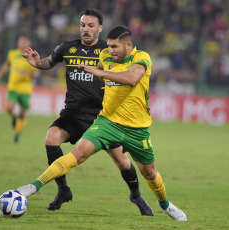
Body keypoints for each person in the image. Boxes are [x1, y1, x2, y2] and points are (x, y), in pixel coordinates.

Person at [18, 25, 187, 221]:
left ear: (128, 45)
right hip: (107, 122)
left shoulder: (141, 57)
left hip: (137, 128)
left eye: (115, 46)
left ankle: (164, 204)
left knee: (149, 172)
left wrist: (102, 74)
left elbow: (132, 79)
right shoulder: (105, 56)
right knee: (78, 155)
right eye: (109, 46)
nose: (111, 50)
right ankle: (33, 186)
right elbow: (98, 77)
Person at [0, 35, 39, 143]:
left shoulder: (31, 57)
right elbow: (7, 65)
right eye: (20, 42)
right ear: (18, 43)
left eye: (24, 42)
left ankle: (17, 136)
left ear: (28, 44)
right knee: (9, 108)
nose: (22, 44)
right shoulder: (12, 54)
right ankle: (13, 118)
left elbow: (36, 73)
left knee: (22, 114)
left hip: (25, 90)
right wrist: (0, 74)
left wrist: (27, 73)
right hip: (13, 87)